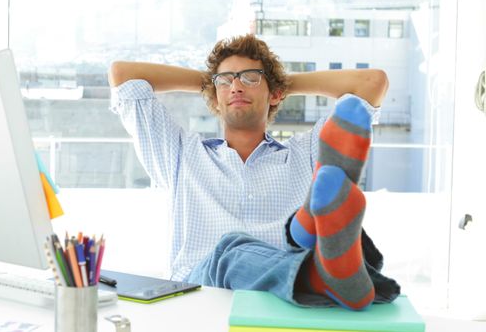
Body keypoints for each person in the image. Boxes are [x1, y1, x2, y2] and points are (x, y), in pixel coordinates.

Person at [107, 34, 399, 310]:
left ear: (275, 95)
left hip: (279, 301)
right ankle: (325, 273)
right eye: (226, 81)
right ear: (214, 95)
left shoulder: (304, 155)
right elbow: (123, 75)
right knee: (230, 252)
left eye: (250, 77)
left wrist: (280, 82)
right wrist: (210, 81)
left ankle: (328, 271)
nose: (236, 86)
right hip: (200, 294)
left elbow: (372, 82)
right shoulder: (181, 154)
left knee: (263, 245)